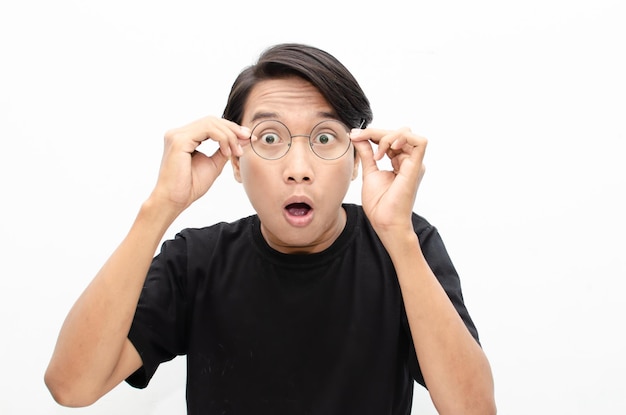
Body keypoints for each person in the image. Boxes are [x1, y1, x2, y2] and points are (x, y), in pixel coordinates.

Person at [44, 43, 496, 414]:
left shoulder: (404, 245)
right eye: (270, 138)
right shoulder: (196, 261)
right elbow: (72, 386)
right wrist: (160, 207)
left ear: (356, 160)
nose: (298, 170)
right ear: (235, 162)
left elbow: (473, 409)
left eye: (324, 138)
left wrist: (397, 235)